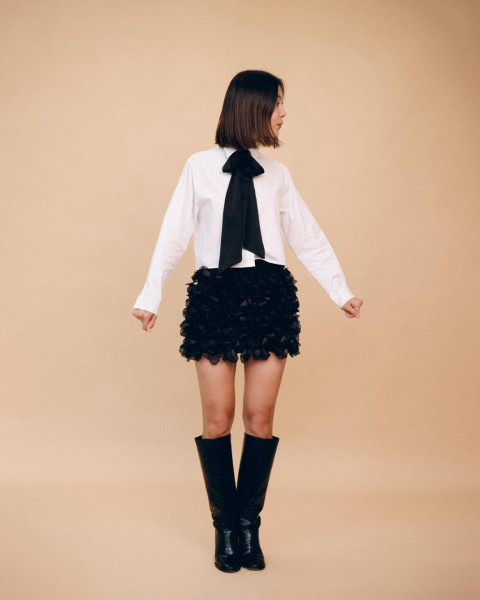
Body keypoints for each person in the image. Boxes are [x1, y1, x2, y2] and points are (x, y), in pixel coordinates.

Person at [132, 70, 363, 573]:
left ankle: (248, 526)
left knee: (260, 416)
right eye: (278, 102)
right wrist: (151, 294)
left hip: (268, 296)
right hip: (215, 294)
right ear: (253, 106)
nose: (284, 112)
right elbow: (174, 232)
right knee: (219, 417)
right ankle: (224, 527)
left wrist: (339, 289)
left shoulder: (277, 174)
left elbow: (306, 234)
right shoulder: (198, 167)